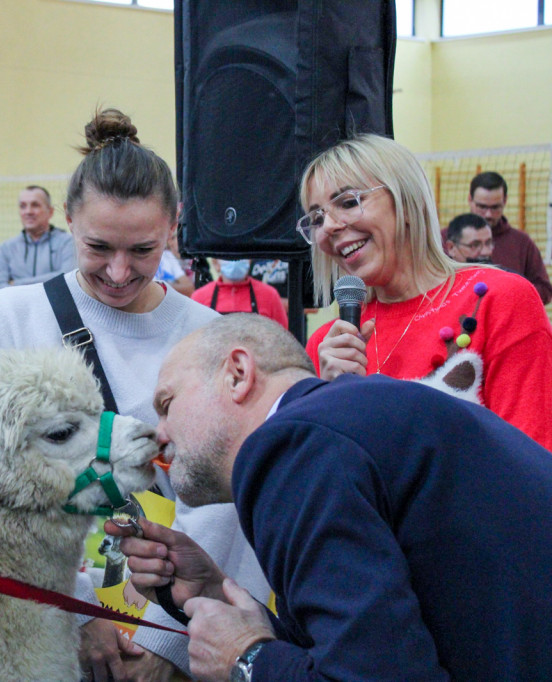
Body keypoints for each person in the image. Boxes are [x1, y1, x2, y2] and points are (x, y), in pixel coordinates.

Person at [0, 108, 268, 682]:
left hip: (169, 612)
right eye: (98, 247)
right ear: (68, 221)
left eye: (143, 251)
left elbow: (219, 500)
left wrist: (166, 642)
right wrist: (75, 609)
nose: (119, 271)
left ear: (174, 226)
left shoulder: (208, 335)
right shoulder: (13, 315)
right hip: (39, 611)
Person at [108, 313, 552, 681]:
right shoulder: (346, 421)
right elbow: (372, 651)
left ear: (238, 374)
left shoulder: (293, 444)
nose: (159, 435)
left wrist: (246, 660)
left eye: (166, 404)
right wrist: (214, 593)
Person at [303, 134, 552, 450]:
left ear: (406, 203)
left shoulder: (499, 300)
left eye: (349, 202)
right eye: (316, 218)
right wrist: (329, 400)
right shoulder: (329, 346)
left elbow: (531, 461)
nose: (329, 227)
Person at [468, 171, 552, 303]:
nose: (488, 214)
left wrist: (511, 295)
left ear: (505, 201)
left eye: (495, 207)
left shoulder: (522, 242)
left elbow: (545, 290)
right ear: (470, 200)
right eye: (482, 207)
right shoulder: (447, 238)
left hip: (509, 319)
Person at [0, 185, 76, 294]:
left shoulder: (68, 243)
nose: (28, 211)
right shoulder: (6, 249)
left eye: (35, 205)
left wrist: (14, 284)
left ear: (50, 211)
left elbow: (69, 281)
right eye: (23, 206)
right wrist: (53, 279)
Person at [192, 259, 288, 327]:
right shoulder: (199, 298)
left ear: (250, 260)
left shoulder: (269, 296)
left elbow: (283, 342)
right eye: (227, 256)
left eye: (240, 256)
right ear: (215, 263)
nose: (234, 261)